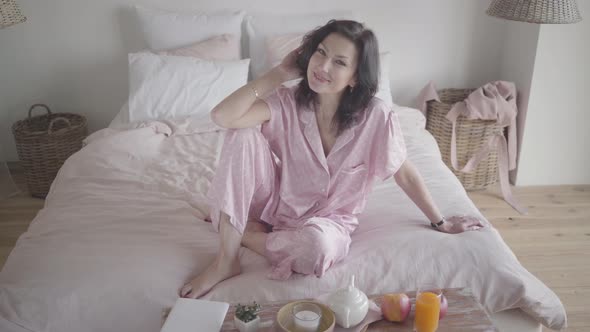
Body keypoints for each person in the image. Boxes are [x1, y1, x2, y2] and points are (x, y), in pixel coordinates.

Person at [180, 20, 484, 299]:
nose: (322, 66)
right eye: (320, 53)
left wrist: (440, 221)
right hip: (275, 203)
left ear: (355, 77)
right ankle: (225, 260)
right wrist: (279, 74)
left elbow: (403, 173)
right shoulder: (287, 101)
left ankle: (243, 235)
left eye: (339, 62)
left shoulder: (375, 115)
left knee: (316, 250)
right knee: (242, 132)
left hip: (330, 222)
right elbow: (223, 116)